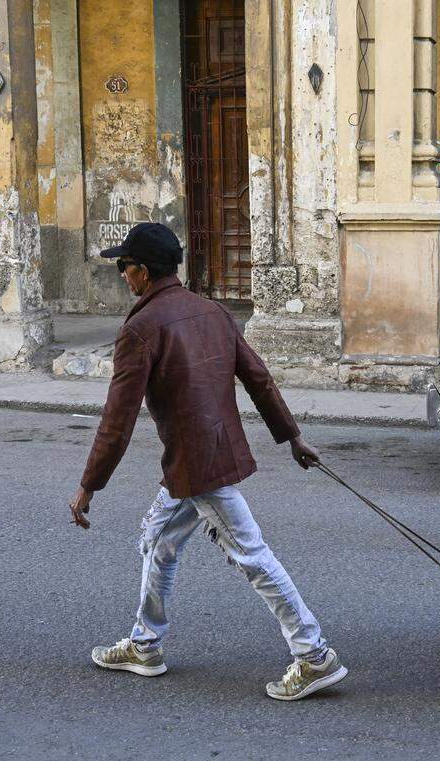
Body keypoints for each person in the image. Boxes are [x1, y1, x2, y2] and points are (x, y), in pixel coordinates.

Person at [68, 222, 347, 702]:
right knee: (159, 540)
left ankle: (314, 655)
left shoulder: (140, 329)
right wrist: (293, 437)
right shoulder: (211, 311)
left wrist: (89, 486)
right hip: (199, 458)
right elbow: (259, 378)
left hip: (198, 466)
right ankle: (144, 644)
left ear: (142, 271)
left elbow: (117, 420)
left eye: (123, 267)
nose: (122, 276)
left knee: (253, 557)